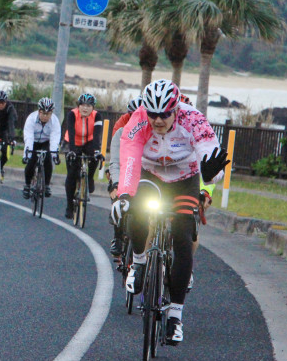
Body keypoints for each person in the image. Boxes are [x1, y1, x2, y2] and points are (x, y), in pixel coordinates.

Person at [110, 79, 229, 345]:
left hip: (184, 179)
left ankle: (175, 317)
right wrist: (124, 195)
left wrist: (212, 176)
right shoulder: (139, 120)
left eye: (164, 114)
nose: (157, 120)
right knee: (137, 211)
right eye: (152, 113)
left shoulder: (193, 120)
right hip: (150, 174)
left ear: (176, 109)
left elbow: (210, 152)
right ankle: (139, 262)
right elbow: (129, 158)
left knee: (183, 235)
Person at [107, 95, 143, 255]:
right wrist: (116, 183)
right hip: (123, 172)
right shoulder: (120, 130)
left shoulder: (152, 133)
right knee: (117, 197)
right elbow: (115, 161)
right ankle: (118, 237)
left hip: (143, 177)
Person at [63, 93, 104, 219]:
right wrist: (72, 151)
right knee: (71, 174)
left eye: (88, 106)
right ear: (78, 106)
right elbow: (70, 131)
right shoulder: (72, 114)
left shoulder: (97, 116)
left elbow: (97, 135)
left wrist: (97, 151)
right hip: (72, 141)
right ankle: (70, 205)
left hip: (89, 141)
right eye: (83, 105)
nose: (85, 108)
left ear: (93, 107)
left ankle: (90, 178)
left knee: (95, 156)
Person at [22, 97, 61, 199]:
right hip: (33, 142)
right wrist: (27, 154)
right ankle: (27, 185)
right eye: (43, 113)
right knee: (31, 161)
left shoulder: (55, 121)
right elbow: (28, 137)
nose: (45, 116)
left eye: (47, 114)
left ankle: (47, 184)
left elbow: (54, 139)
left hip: (46, 142)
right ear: (38, 111)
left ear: (51, 113)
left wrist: (54, 155)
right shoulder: (31, 119)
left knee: (48, 160)